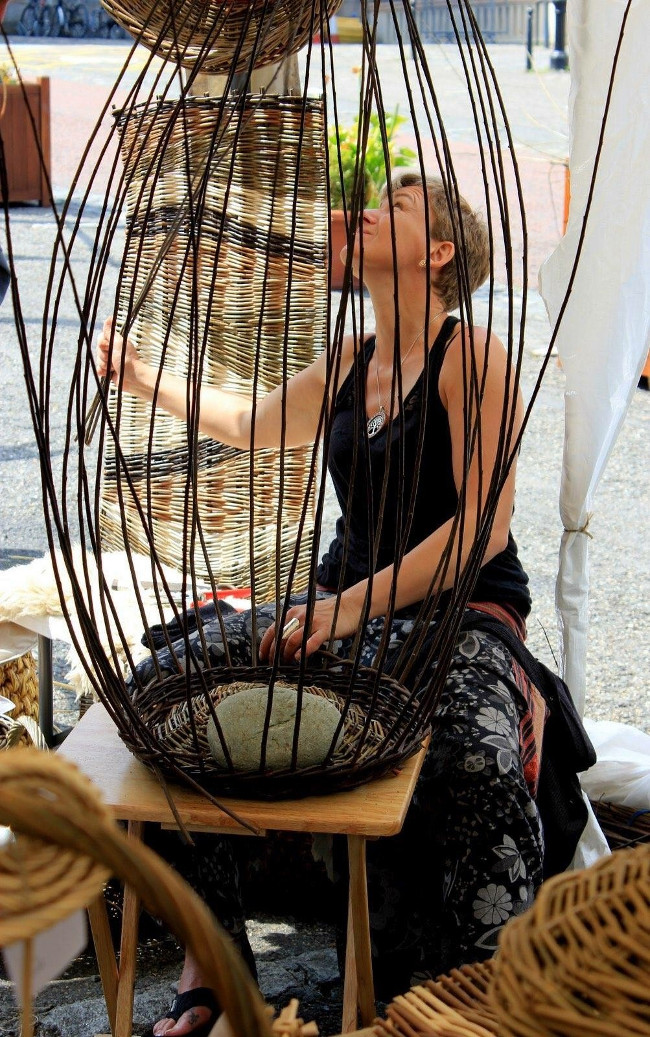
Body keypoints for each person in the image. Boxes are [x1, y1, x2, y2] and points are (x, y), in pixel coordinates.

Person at [97, 170, 544, 1037]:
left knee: (474, 755)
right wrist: (142, 376)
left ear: (440, 252)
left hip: (460, 616)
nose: (370, 207)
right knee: (168, 694)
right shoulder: (349, 358)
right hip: (349, 612)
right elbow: (250, 423)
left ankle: (491, 997)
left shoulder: (473, 357)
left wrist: (344, 611)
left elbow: (480, 531)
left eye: (397, 205)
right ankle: (215, 966)